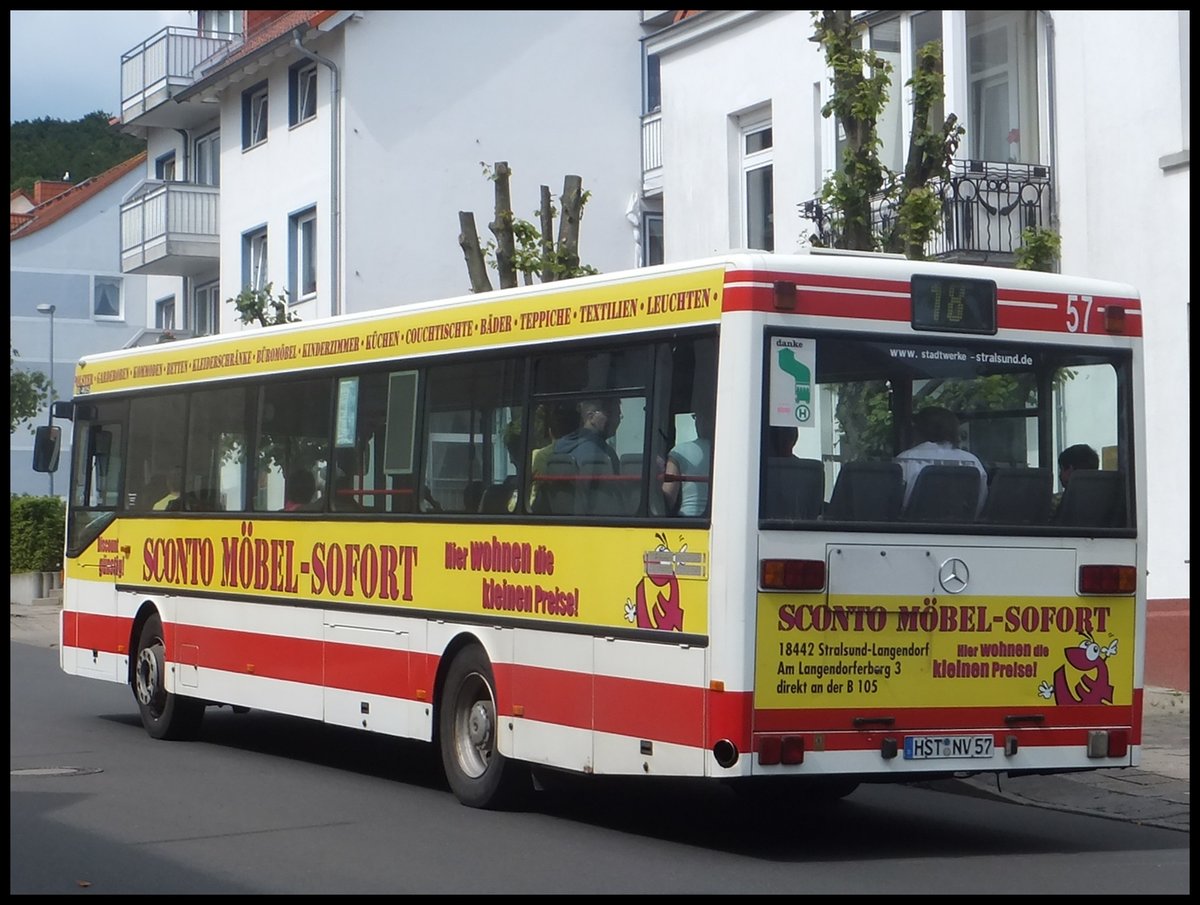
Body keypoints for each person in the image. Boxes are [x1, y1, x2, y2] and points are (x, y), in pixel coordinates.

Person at [894, 406, 988, 512]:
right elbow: (980, 500)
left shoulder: (907, 458)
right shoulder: (971, 461)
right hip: (962, 521)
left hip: (913, 521)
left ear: (918, 430)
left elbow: (896, 501)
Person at [664, 407, 715, 516]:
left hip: (688, 518)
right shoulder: (729, 452)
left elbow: (668, 498)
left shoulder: (679, 451)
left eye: (696, 417)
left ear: (702, 420)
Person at [553, 398, 621, 473]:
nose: (616, 420)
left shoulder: (561, 448)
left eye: (618, 415)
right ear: (591, 416)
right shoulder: (600, 454)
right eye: (610, 414)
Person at [1051, 443, 1100, 513]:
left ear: (1070, 469)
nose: (1059, 475)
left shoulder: (1056, 502)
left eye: (1061, 469)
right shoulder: (1104, 499)